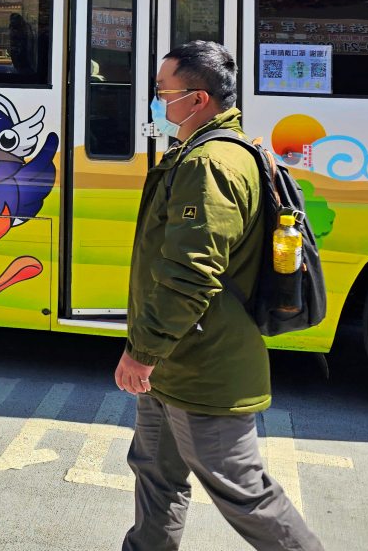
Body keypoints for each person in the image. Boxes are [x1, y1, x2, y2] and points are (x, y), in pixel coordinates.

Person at [115, 40, 323, 551]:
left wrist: (143, 353)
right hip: (176, 360)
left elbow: (191, 274)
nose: (157, 102)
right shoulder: (204, 152)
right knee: (155, 473)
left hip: (202, 362)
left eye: (163, 91)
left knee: (244, 493)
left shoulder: (209, 165)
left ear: (198, 99)